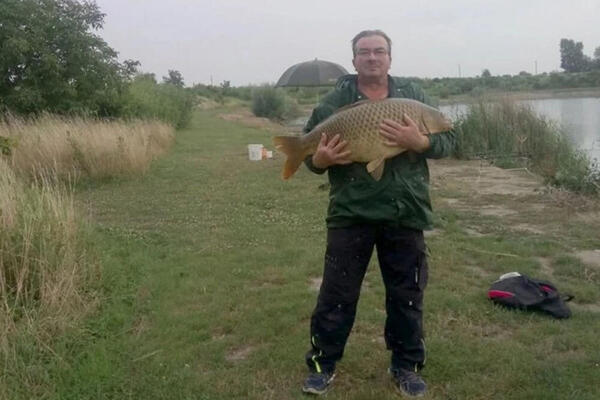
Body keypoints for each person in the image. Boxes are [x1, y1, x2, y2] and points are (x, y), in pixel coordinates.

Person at [300, 30, 456, 397]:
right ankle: (323, 365)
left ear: (389, 57)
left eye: (379, 51)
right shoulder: (333, 103)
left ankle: (406, 366)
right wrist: (319, 160)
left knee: (406, 295)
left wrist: (420, 142)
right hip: (350, 212)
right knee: (336, 294)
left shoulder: (414, 98)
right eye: (364, 52)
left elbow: (450, 138)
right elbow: (311, 157)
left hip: (405, 211)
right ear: (354, 60)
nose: (372, 57)